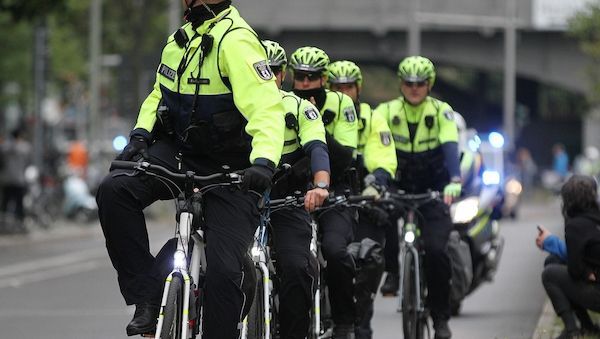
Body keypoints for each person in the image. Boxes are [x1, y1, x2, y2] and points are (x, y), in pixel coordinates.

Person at [95, 1, 285, 337]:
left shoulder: (238, 41)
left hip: (232, 168)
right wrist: (140, 137)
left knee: (225, 272)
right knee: (114, 190)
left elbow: (267, 109)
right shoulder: (178, 41)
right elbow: (159, 96)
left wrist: (264, 162)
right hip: (180, 154)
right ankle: (147, 297)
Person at [375, 56, 461, 339]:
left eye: (420, 83)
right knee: (382, 215)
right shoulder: (386, 111)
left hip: (433, 191)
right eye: (409, 83)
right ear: (401, 84)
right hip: (398, 186)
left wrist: (455, 180)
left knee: (437, 251)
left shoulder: (441, 112)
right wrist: (377, 183)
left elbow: (450, 145)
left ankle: (440, 318)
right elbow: (377, 149)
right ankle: (393, 272)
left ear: (429, 84)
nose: (414, 88)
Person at [289, 46, 359, 338]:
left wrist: (315, 122)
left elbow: (344, 157)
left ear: (324, 78)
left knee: (336, 251)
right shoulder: (283, 101)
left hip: (334, 191)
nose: (305, 84)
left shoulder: (343, 104)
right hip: (294, 192)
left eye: (312, 77)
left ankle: (344, 322)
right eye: (300, 77)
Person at [262, 39, 330, 338]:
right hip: (241, 201)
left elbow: (317, 147)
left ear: (283, 74)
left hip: (286, 203)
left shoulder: (301, 108)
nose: (267, 76)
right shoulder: (233, 103)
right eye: (260, 70)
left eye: (273, 70)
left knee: (296, 269)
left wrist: (321, 185)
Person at [327, 60, 397, 339]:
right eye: (337, 87)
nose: (343, 92)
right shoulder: (322, 111)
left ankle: (362, 323)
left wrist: (376, 183)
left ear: (358, 89)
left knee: (367, 258)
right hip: (328, 196)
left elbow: (382, 156)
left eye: (348, 87)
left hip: (362, 195)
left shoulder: (371, 118)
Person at [535, 175, 600, 339]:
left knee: (549, 274)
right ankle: (587, 326)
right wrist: (588, 272)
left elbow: (575, 270)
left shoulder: (575, 226)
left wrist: (585, 272)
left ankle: (571, 331)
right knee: (553, 260)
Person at [0, 128, 32, 234]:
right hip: (19, 180)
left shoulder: (5, 147)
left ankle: (4, 225)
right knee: (19, 204)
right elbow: (28, 156)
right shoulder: (23, 147)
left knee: (5, 203)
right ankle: (20, 225)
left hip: (7, 180)